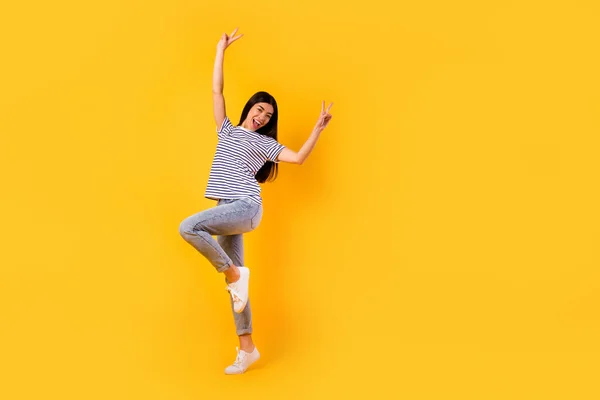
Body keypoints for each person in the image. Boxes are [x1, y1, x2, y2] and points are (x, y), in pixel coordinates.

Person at [179, 28, 333, 375]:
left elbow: (298, 159)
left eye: (268, 116)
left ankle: (233, 272)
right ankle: (247, 348)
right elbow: (217, 90)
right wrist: (220, 49)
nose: (262, 117)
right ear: (250, 108)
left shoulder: (265, 145)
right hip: (225, 210)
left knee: (188, 227)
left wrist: (317, 130)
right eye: (260, 110)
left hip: (245, 206)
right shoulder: (228, 130)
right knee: (237, 291)